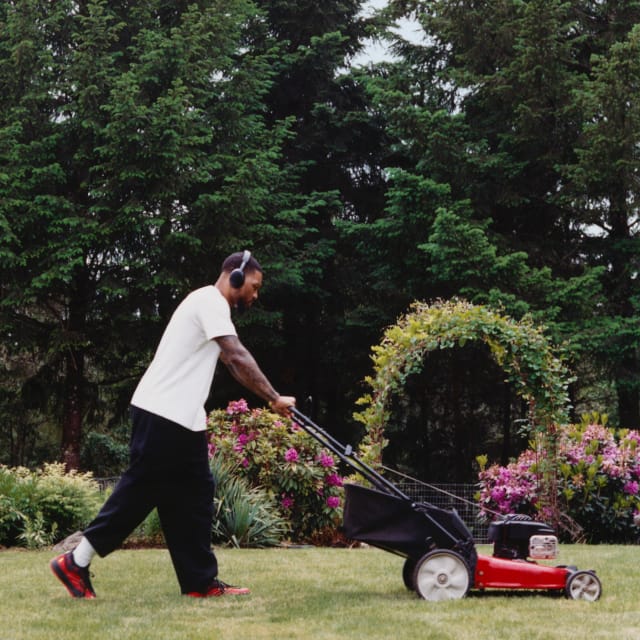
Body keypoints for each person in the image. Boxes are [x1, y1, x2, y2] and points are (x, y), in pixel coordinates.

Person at [50, 251, 296, 599]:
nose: (255, 295)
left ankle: (199, 582)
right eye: (254, 286)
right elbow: (237, 354)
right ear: (235, 277)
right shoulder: (209, 300)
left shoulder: (214, 309)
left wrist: (267, 396)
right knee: (139, 492)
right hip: (162, 413)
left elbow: (231, 361)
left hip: (185, 421)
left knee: (194, 498)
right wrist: (273, 397)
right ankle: (75, 561)